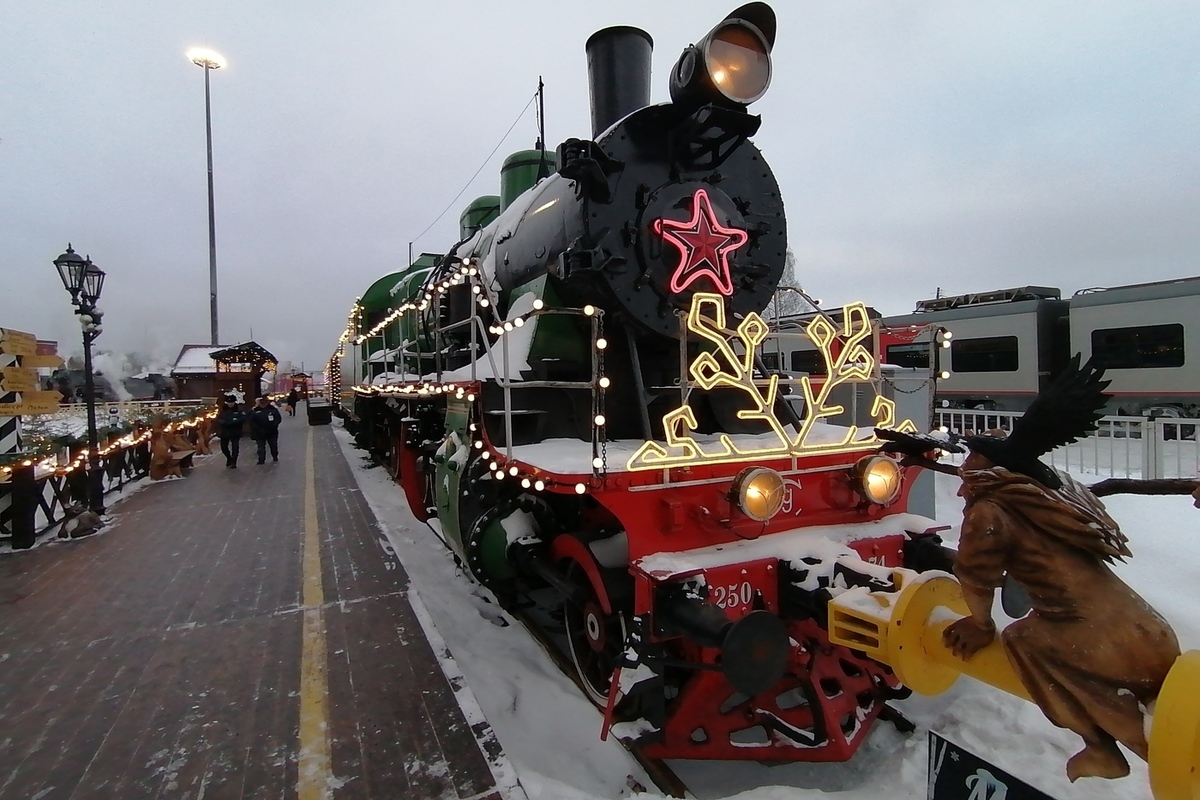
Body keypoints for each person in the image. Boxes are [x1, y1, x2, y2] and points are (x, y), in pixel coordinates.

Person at [249, 394, 282, 464]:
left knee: (273, 445)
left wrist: (274, 425)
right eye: (261, 403)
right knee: (261, 447)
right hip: (260, 432)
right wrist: (257, 428)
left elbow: (278, 418)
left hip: (271, 431)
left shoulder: (273, 409)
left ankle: (275, 456)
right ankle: (261, 459)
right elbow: (251, 420)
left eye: (264, 403)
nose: (263, 404)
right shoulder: (255, 411)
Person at [216, 394, 247, 468]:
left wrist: (233, 422)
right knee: (224, 447)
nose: (230, 404)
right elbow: (217, 418)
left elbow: (243, 419)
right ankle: (229, 458)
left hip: (235, 431)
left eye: (232, 402)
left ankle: (234, 462)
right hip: (224, 431)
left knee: (235, 448)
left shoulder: (239, 409)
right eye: (229, 402)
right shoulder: (222, 410)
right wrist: (223, 422)